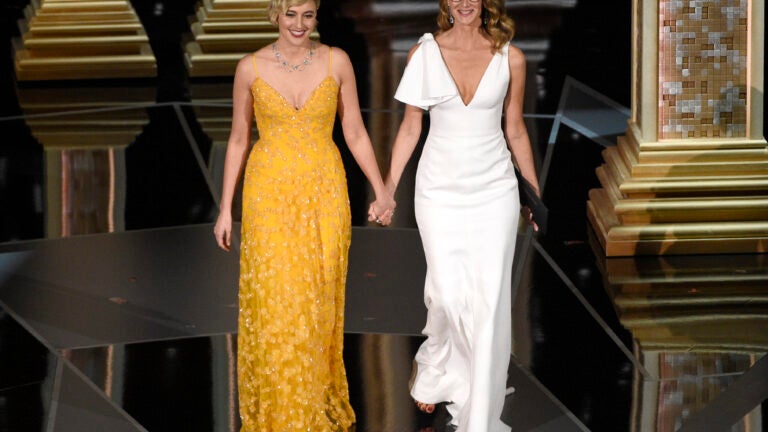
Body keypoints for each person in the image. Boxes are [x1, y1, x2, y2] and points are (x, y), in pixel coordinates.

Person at [212, 0, 395, 430]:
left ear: (316, 17)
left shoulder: (337, 61)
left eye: (307, 15)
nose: (299, 24)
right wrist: (225, 208)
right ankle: (282, 404)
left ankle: (313, 397)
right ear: (276, 15)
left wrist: (382, 188)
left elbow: (354, 131)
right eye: (291, 14)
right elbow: (238, 139)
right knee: (276, 298)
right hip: (268, 195)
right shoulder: (249, 68)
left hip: (324, 192)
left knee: (318, 298)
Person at [378, 0, 541, 430]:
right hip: (439, 190)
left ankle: (479, 417)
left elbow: (516, 127)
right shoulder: (423, 55)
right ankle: (436, 366)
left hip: (495, 191)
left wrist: (534, 196)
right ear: (446, 2)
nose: (465, 2)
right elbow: (411, 126)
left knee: (487, 304)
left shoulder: (511, 57)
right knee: (448, 296)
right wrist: (387, 189)